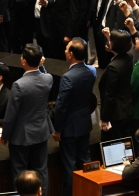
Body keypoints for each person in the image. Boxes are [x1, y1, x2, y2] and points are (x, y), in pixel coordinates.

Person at [2, 44, 54, 196]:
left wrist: (5, 135)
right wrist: (41, 66)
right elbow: (45, 75)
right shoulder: (48, 78)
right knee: (41, 171)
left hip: (21, 136)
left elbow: (10, 115)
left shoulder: (19, 85)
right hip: (41, 132)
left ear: (23, 61)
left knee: (20, 174)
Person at [53, 39, 96, 196]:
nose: (64, 51)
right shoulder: (91, 71)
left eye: (66, 49)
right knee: (85, 162)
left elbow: (62, 106)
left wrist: (57, 130)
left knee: (69, 167)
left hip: (69, 128)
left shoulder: (68, 77)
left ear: (70, 54)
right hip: (85, 123)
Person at [98, 29, 134, 141]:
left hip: (116, 114)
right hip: (127, 108)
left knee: (114, 142)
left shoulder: (113, 67)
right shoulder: (129, 57)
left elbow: (109, 95)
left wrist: (105, 119)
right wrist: (110, 37)